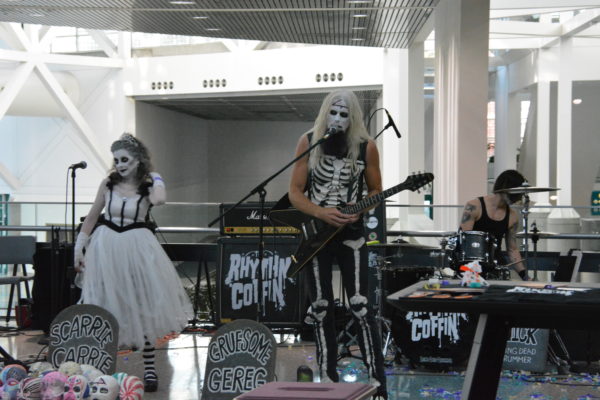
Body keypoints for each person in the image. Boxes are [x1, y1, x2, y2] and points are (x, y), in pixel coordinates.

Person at [73, 133, 193, 392]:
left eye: (125, 159)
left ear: (138, 160)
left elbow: (160, 200)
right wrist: (79, 247)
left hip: (137, 248)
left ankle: (150, 370)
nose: (119, 164)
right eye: (116, 159)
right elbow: (93, 216)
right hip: (107, 248)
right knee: (104, 305)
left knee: (143, 306)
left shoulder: (148, 187)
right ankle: (99, 369)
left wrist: (156, 175)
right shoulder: (108, 184)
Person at [288, 90, 387, 398]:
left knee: (360, 304)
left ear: (353, 116)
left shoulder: (366, 147)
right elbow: (294, 190)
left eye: (345, 114)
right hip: (316, 232)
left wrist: (358, 208)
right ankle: (329, 378)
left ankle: (378, 381)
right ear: (324, 114)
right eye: (334, 113)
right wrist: (320, 211)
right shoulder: (308, 141)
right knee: (320, 307)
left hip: (351, 232)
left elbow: (376, 189)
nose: (338, 119)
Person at [459, 169, 528, 280]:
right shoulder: (474, 206)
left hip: (496, 265)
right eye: (517, 193)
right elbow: (464, 241)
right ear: (506, 189)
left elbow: (512, 250)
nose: (518, 198)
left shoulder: (512, 217)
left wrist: (524, 275)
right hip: (471, 265)